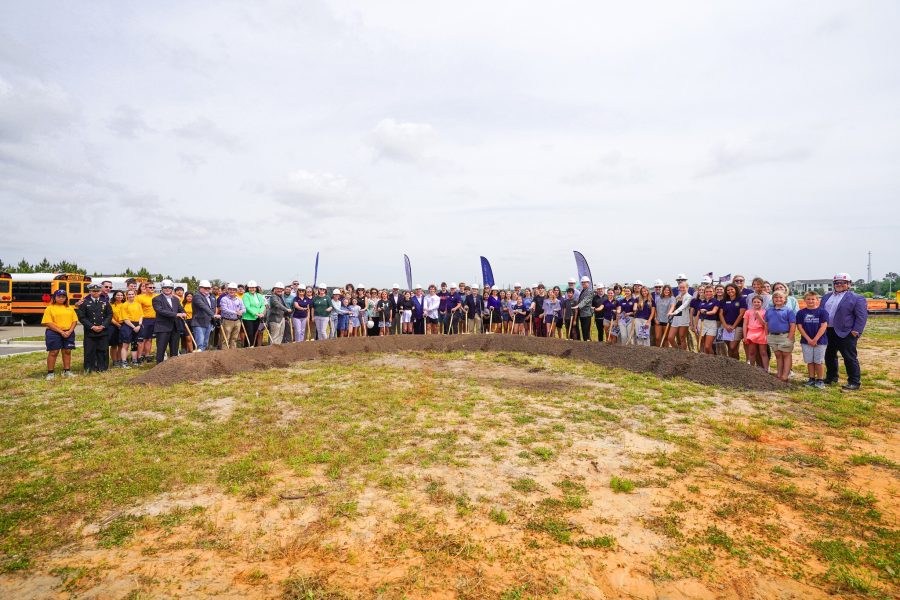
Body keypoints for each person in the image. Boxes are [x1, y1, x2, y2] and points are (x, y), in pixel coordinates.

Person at [821, 273, 867, 391]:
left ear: (849, 284)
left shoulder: (857, 298)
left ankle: (854, 382)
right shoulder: (826, 297)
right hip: (828, 331)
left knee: (849, 357)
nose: (839, 285)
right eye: (837, 282)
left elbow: (861, 316)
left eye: (843, 282)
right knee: (829, 355)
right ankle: (831, 377)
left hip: (846, 332)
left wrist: (856, 331)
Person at [42, 289, 78, 379]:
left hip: (68, 332)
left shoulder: (69, 308)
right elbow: (48, 322)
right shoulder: (50, 308)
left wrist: (69, 331)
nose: (61, 298)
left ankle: (67, 371)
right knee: (54, 351)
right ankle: (50, 373)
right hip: (54, 332)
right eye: (59, 296)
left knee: (67, 351)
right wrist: (61, 332)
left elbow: (74, 321)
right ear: (54, 297)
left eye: (63, 296)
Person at [796, 291, 829, 388]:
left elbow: (824, 326)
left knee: (818, 361)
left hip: (820, 341)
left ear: (817, 300)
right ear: (805, 300)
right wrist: (809, 340)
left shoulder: (822, 312)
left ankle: (820, 379)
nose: (810, 301)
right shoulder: (801, 313)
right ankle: (811, 379)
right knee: (810, 361)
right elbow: (800, 327)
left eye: (813, 299)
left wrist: (815, 339)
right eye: (808, 299)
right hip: (806, 341)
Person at [78, 283, 113, 372]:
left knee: (103, 350)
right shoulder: (84, 302)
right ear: (90, 291)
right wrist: (92, 326)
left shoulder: (104, 301)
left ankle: (103, 368)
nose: (96, 293)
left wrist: (103, 325)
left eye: (97, 291)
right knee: (89, 350)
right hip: (90, 331)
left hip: (103, 330)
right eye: (93, 291)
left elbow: (109, 315)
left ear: (100, 291)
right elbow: (82, 317)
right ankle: (89, 368)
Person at [152, 280, 188, 363]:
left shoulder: (175, 299)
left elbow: (181, 309)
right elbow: (160, 311)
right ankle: (159, 367)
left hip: (175, 328)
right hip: (163, 328)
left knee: (174, 350)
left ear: (172, 289)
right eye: (165, 287)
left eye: (169, 288)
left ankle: (173, 367)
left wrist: (184, 313)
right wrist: (176, 314)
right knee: (161, 349)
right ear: (162, 288)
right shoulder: (156, 299)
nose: (167, 289)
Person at [765, 290, 796, 382]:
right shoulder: (769, 310)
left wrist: (790, 337)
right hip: (773, 336)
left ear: (785, 299)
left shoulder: (788, 310)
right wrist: (767, 335)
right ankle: (779, 373)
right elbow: (766, 324)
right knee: (778, 355)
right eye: (776, 297)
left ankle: (785, 375)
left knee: (786, 355)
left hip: (785, 335)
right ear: (773, 299)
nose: (778, 299)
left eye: (780, 297)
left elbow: (792, 325)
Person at [719, 284, 746, 359]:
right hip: (726, 327)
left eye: (732, 289)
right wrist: (725, 325)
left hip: (738, 326)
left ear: (736, 290)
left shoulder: (741, 300)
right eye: (728, 290)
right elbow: (721, 314)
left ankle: (735, 364)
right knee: (730, 348)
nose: (730, 291)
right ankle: (732, 365)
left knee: (732, 346)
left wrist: (733, 326)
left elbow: (741, 314)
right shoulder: (723, 301)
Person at [191, 280, 218, 351]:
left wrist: (214, 316)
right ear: (200, 288)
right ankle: (198, 359)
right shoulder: (197, 296)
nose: (207, 289)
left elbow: (213, 307)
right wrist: (213, 315)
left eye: (208, 288)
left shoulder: (212, 296)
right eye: (205, 288)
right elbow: (203, 306)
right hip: (199, 322)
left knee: (205, 343)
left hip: (209, 322)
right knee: (200, 343)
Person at [743, 295, 768, 370]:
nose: (756, 303)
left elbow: (765, 324)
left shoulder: (765, 312)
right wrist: (745, 336)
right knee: (751, 352)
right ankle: (752, 369)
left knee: (763, 352)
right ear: (752, 303)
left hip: (761, 332)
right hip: (751, 333)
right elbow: (745, 324)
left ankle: (766, 369)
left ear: (762, 303)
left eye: (758, 302)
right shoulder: (748, 312)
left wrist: (758, 316)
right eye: (754, 302)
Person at [119, 289, 143, 365]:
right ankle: (124, 362)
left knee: (135, 344)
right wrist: (133, 327)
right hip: (128, 325)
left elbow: (141, 315)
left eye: (132, 294)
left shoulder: (138, 304)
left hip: (137, 325)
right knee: (125, 344)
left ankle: (134, 360)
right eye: (129, 294)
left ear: (135, 295)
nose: (131, 295)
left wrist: (139, 325)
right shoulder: (124, 305)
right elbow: (125, 318)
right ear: (126, 296)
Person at [135, 281, 157, 363]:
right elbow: (136, 309)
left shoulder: (156, 296)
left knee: (149, 339)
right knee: (142, 340)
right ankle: (139, 357)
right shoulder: (139, 297)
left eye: (153, 287)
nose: (152, 289)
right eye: (150, 287)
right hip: (144, 319)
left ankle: (147, 355)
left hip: (154, 319)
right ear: (145, 288)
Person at [219, 283, 245, 349]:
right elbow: (224, 309)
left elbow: (244, 309)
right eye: (230, 289)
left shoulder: (239, 299)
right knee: (225, 339)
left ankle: (232, 354)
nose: (232, 291)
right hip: (227, 321)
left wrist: (241, 311)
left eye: (234, 290)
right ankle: (224, 354)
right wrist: (236, 312)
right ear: (227, 290)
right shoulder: (224, 299)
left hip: (237, 321)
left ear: (236, 291)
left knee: (234, 338)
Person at [667, 282, 693, 349]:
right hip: (676, 319)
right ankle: (677, 351)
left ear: (687, 288)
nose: (681, 289)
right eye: (680, 287)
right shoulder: (677, 297)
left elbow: (683, 306)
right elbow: (674, 306)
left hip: (684, 319)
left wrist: (674, 312)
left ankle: (683, 353)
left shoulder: (689, 297)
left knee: (682, 338)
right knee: (670, 337)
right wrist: (671, 312)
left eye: (683, 287)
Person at [697, 285, 720, 354]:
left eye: (710, 291)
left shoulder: (716, 301)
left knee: (708, 346)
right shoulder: (702, 302)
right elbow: (698, 315)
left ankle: (713, 361)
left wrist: (706, 312)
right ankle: (706, 361)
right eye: (706, 292)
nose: (708, 293)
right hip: (701, 323)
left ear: (713, 292)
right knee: (703, 345)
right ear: (704, 293)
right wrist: (694, 326)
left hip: (712, 324)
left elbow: (714, 311)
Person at [242, 280, 266, 347]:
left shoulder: (259, 295)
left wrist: (261, 313)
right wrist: (256, 314)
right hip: (248, 318)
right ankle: (248, 347)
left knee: (255, 333)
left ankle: (254, 347)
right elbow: (247, 307)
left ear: (256, 288)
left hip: (257, 318)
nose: (252, 289)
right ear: (248, 288)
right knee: (250, 334)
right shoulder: (246, 295)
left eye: (253, 287)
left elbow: (262, 305)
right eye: (250, 287)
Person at [574, 276, 595, 341]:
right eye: (582, 283)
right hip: (582, 314)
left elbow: (585, 300)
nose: (583, 284)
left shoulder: (590, 291)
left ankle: (587, 344)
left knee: (586, 330)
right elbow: (580, 299)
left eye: (584, 283)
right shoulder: (583, 290)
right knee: (583, 330)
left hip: (587, 314)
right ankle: (585, 343)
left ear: (588, 283)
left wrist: (578, 306)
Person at [109, 290, 125, 367]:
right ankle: (114, 361)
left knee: (121, 344)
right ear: (114, 296)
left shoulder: (125, 304)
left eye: (121, 295)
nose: (120, 297)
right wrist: (117, 324)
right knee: (114, 345)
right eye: (118, 295)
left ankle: (120, 360)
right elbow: (109, 317)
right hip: (113, 326)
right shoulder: (111, 305)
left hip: (124, 325)